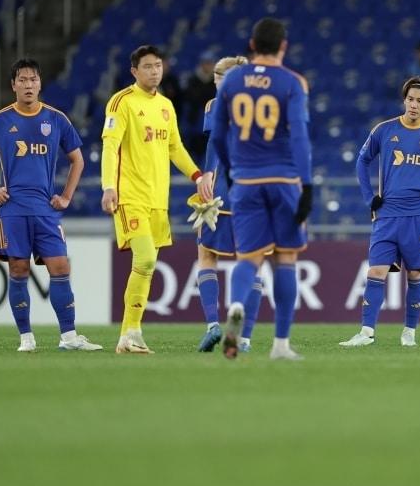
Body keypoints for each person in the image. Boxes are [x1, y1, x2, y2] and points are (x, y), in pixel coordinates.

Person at [0, 58, 102, 352]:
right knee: (18, 269)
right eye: (23, 80)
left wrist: (65, 196)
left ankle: (69, 337)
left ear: (40, 84)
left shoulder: (55, 119)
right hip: (12, 208)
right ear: (13, 85)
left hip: (44, 208)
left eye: (33, 80)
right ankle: (26, 337)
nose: (28, 85)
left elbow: (77, 158)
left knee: (60, 266)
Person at [208, 18, 313, 360]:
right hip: (284, 179)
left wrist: (232, 169)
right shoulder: (293, 83)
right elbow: (299, 136)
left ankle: (237, 304)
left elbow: (218, 135)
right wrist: (306, 184)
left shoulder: (232, 81)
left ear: (252, 44)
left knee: (248, 257)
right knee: (286, 258)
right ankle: (281, 344)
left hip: (246, 180)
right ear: (284, 45)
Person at [340, 76, 420, 348]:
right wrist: (368, 196)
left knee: (416, 274)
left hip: (419, 216)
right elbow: (362, 161)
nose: (413, 105)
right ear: (404, 100)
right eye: (410, 99)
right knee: (376, 270)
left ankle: (409, 333)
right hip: (386, 215)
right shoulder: (384, 130)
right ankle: (366, 333)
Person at [101, 45, 213, 354]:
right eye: (148, 66)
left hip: (157, 200)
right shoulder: (121, 102)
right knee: (146, 258)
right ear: (134, 71)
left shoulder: (165, 105)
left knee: (147, 265)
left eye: (158, 65)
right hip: (129, 196)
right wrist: (108, 186)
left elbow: (174, 147)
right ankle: (128, 333)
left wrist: (198, 176)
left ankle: (132, 334)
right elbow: (110, 146)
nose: (155, 71)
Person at [193, 55, 261, 353]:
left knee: (207, 256)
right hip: (256, 192)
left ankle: (213, 325)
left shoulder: (214, 105)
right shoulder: (262, 104)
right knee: (252, 264)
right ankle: (244, 339)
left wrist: (207, 175)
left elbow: (213, 145)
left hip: (220, 192)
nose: (215, 82)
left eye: (218, 77)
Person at [184, 50, 217, 159]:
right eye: (205, 63)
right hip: (196, 120)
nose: (207, 65)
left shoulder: (217, 80)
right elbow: (192, 99)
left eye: (209, 63)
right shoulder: (193, 80)